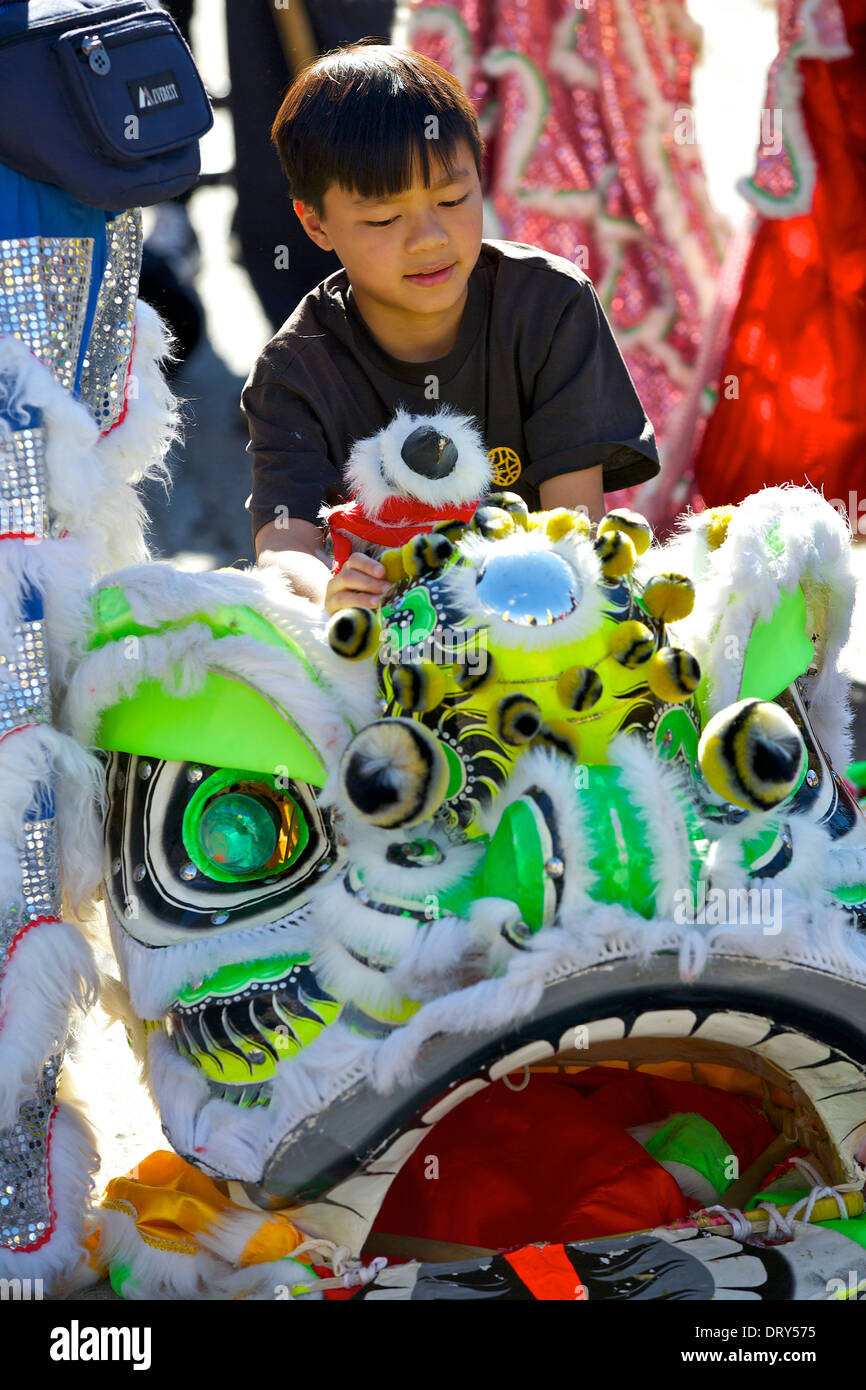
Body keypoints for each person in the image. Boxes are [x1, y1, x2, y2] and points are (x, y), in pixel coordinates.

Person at [242, 43, 659, 613]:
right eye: (385, 218)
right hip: (382, 650)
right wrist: (331, 598)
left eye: (453, 198)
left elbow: (574, 530)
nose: (430, 239)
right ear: (315, 223)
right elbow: (285, 547)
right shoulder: (293, 372)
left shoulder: (549, 305)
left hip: (538, 621)